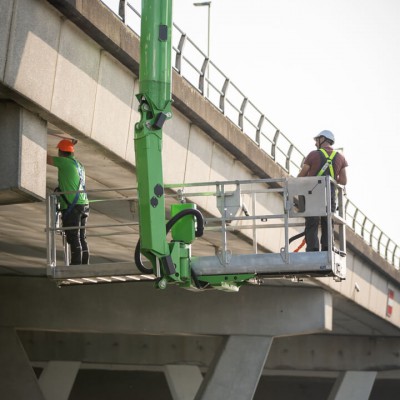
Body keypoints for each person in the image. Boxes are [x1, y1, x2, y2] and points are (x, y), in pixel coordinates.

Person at [297, 130, 348, 252]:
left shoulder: (313, 155)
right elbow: (344, 181)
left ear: (322, 139)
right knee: (327, 220)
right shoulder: (341, 157)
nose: (315, 144)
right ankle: (327, 247)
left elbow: (301, 176)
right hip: (329, 194)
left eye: (317, 140)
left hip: (313, 192)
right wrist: (332, 176)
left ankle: (312, 248)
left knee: (312, 221)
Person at [47, 139, 90, 265]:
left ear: (61, 151)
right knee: (81, 236)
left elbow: (46, 158)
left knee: (72, 236)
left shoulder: (64, 162)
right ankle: (84, 263)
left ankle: (76, 264)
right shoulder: (80, 165)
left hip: (73, 206)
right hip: (84, 204)